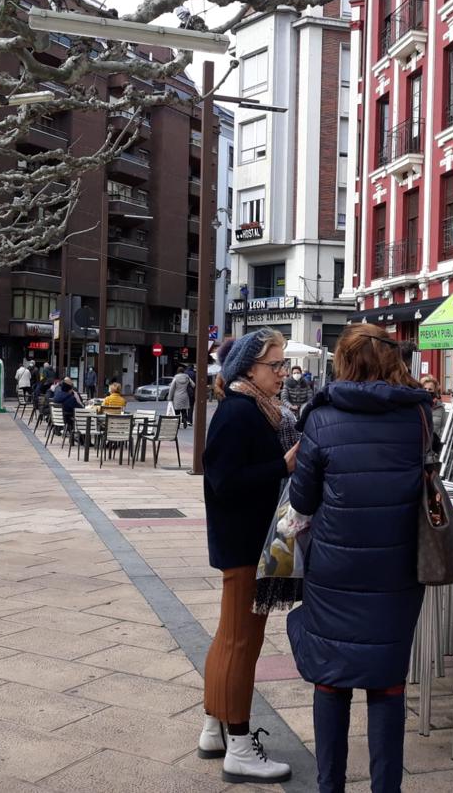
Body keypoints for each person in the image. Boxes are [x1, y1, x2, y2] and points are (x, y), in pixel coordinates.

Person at [286, 324, 431, 793]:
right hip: (397, 568)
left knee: (331, 680)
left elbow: (303, 501)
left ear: (343, 362)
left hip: (335, 568)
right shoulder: (417, 417)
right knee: (387, 683)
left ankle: (331, 786)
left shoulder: (321, 418)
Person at [199, 329, 299, 784]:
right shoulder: (240, 411)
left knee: (231, 638)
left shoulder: (252, 408)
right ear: (248, 369)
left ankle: (213, 728)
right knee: (242, 641)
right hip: (245, 544)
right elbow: (223, 480)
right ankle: (238, 744)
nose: (283, 373)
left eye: (282, 364)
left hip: (244, 541)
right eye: (275, 365)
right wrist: (284, 465)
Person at [421, 374, 446, 439]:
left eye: (430, 389)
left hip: (434, 445)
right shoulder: (417, 406)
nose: (427, 391)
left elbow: (443, 428)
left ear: (435, 391)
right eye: (425, 389)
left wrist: (439, 443)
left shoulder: (440, 408)